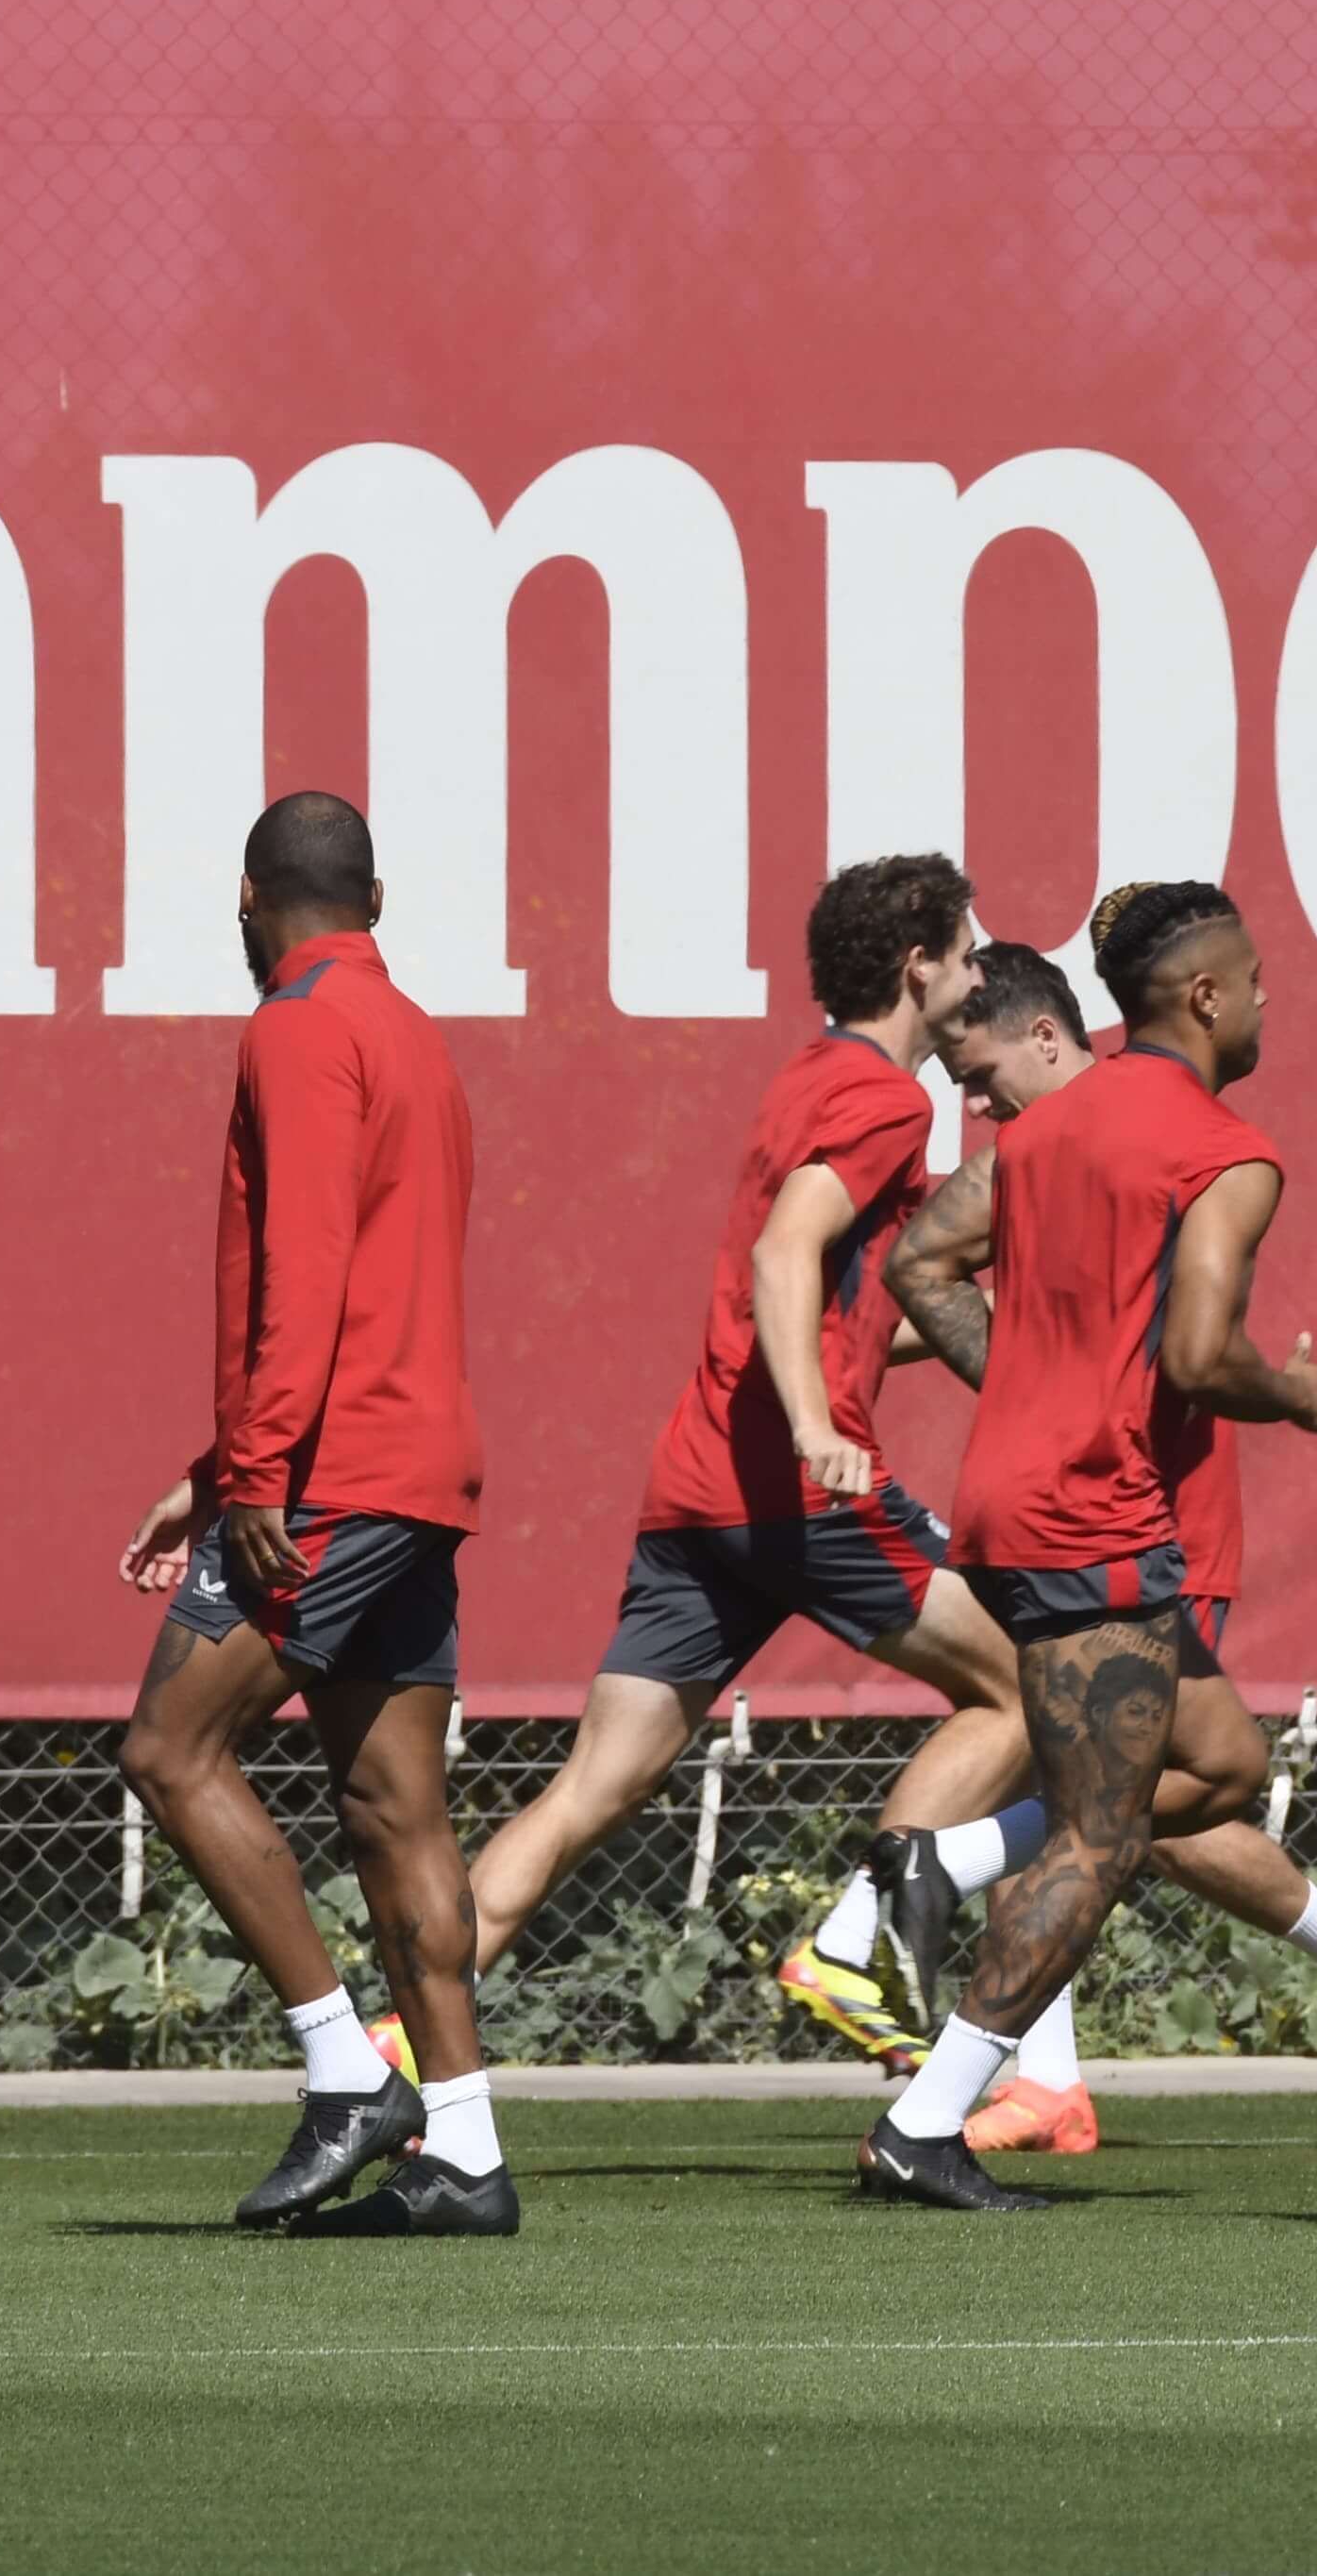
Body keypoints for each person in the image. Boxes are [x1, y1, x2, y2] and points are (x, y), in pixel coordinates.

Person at [449, 857, 1038, 2072]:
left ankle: (411, 2037)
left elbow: (869, 1308)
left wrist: (1039, 1362)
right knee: (1036, 1685)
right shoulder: (882, 1100)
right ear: (918, 966)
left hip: (700, 1490)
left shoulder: (811, 1080)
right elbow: (784, 1256)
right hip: (797, 1490)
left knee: (585, 1795)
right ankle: (854, 1942)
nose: (981, 975)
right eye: (970, 953)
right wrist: (820, 1426)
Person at [898, 941, 1317, 2156]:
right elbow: (1178, 1348)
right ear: (1208, 995)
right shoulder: (1104, 1144)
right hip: (1090, 1514)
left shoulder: (1086, 1143)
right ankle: (1020, 2048)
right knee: (1132, 1799)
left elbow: (923, 1266)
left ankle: (993, 1986)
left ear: (1054, 1035)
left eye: (978, 1075)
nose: (974, 1106)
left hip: (1148, 1517)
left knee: (1132, 1796)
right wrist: (1299, 1397)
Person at [113, 794, 511, 2237]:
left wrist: (260, 1468)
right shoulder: (414, 1034)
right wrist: (224, 1463)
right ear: (378, 895)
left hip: (334, 1472)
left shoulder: (296, 1025)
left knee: (171, 1745)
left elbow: (311, 1264)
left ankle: (348, 2072)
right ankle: (464, 2145)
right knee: (392, 1805)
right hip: (417, 1467)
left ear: (244, 894)